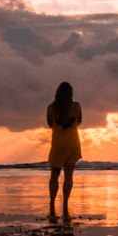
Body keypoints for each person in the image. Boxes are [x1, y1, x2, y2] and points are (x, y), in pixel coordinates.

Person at [46, 81, 82, 218]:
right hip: (72, 142)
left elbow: (50, 123)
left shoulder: (51, 107)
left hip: (58, 143)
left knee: (54, 175)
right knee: (69, 175)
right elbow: (80, 121)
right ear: (71, 94)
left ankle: (51, 203)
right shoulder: (76, 106)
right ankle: (65, 204)